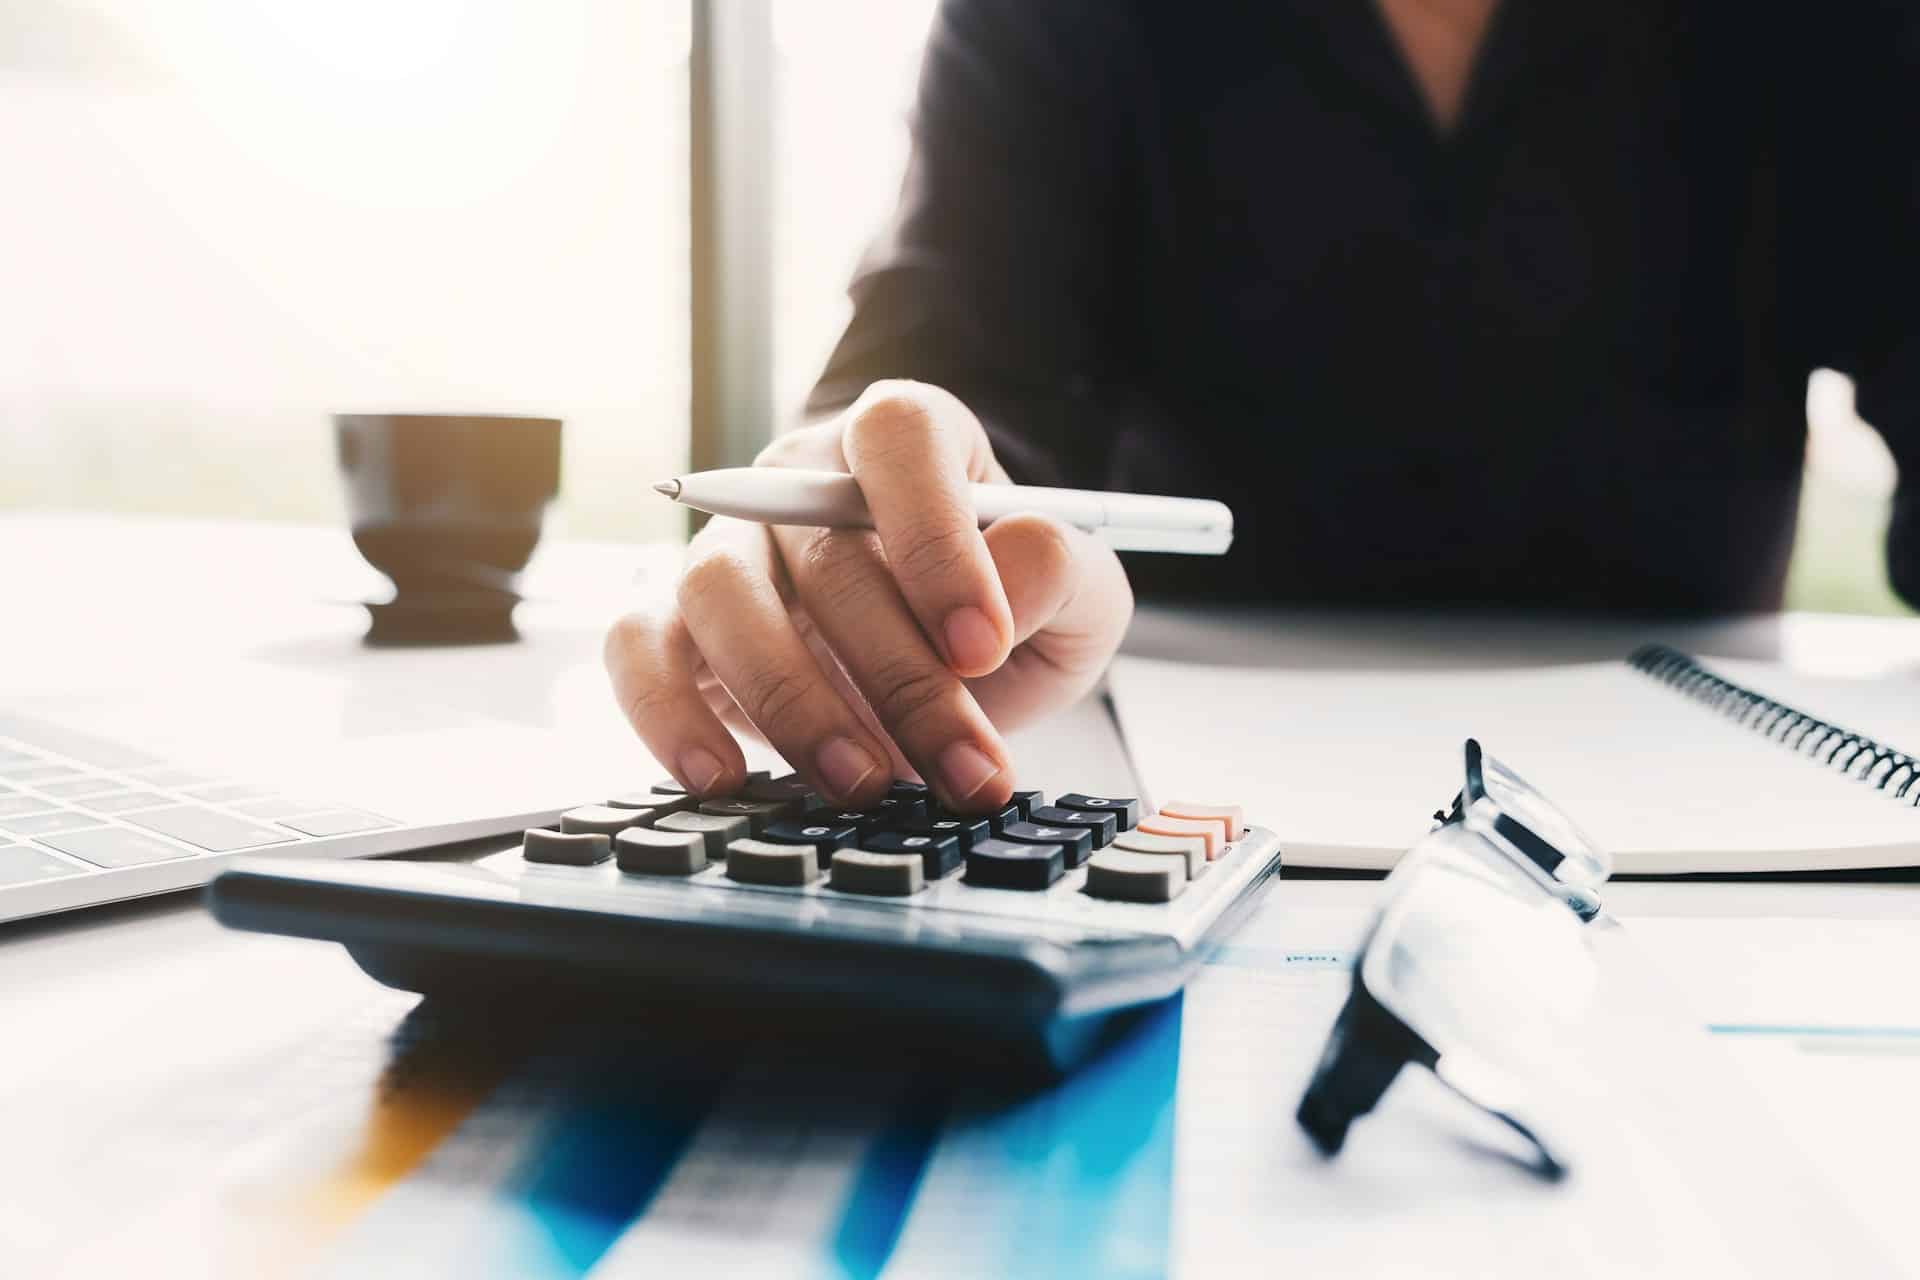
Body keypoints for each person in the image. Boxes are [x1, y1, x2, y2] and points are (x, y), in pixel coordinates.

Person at [606, 0, 1919, 814]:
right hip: (1157, 794)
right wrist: (872, 488)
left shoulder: (1832, 28)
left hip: (1734, 841)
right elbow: (951, 358)